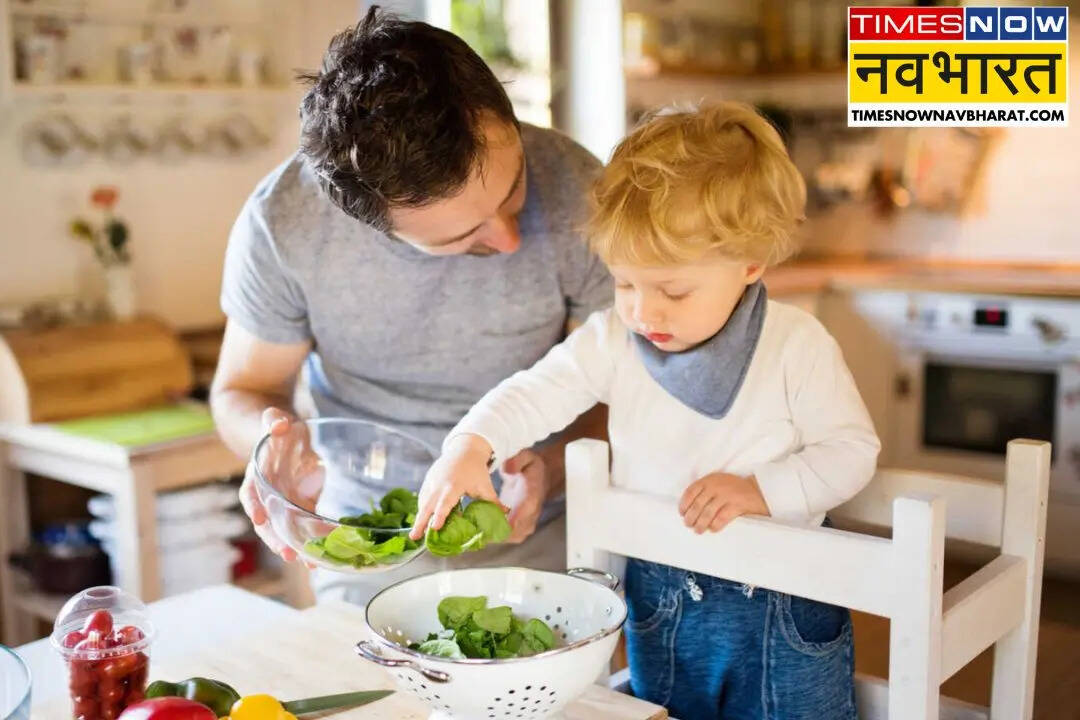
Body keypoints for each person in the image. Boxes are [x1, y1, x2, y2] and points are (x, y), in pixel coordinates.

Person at [410, 102, 880, 720]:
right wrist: (471, 445)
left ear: (751, 263)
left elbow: (852, 452)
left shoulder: (797, 345)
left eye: (673, 290)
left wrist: (761, 491)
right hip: (660, 600)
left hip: (782, 603)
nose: (643, 312)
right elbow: (536, 390)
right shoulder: (613, 340)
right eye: (625, 283)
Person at [211, 7, 612, 605]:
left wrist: (552, 469)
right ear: (369, 223)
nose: (510, 240)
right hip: (368, 539)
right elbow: (243, 389)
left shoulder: (581, 190)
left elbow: (621, 384)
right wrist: (271, 445)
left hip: (547, 533)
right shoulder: (285, 222)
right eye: (464, 236)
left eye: (513, 190)